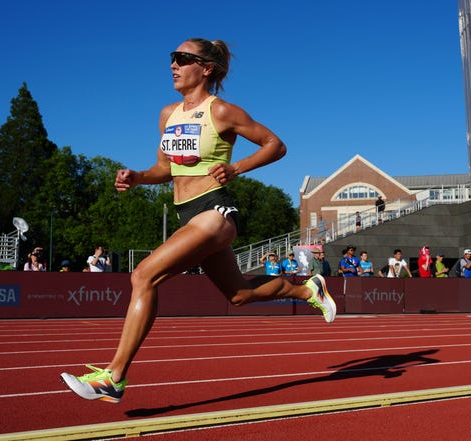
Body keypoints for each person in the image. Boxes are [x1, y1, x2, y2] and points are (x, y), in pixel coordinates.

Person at [60, 38, 336, 404]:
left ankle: (114, 377)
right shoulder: (167, 115)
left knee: (143, 275)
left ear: (206, 68)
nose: (173, 65)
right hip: (187, 214)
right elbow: (164, 168)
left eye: (182, 58)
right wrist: (138, 177)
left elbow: (275, 145)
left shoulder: (221, 111)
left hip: (215, 211)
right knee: (239, 294)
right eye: (172, 58)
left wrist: (236, 167)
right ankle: (308, 289)